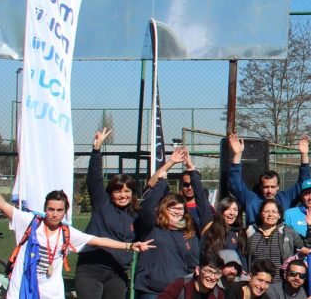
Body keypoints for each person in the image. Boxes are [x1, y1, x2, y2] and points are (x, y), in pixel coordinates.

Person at [0, 158, 155, 299]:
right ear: (45, 209)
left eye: (59, 210)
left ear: (65, 212)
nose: (54, 214)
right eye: (51, 209)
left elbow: (99, 240)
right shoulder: (30, 222)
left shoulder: (67, 232)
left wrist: (130, 246)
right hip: (22, 288)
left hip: (52, 292)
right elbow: (2, 205)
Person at [77, 128, 142, 299]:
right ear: (110, 193)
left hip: (117, 272)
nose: (123, 195)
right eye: (118, 191)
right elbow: (94, 179)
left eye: (127, 191)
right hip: (92, 268)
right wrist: (96, 150)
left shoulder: (136, 214)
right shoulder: (102, 203)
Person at [134, 149, 205, 299]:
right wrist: (163, 181)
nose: (177, 211)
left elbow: (192, 263)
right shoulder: (152, 226)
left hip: (177, 290)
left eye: (180, 208)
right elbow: (147, 207)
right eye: (172, 208)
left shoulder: (188, 231)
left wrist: (191, 168)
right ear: (163, 209)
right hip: (151, 290)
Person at [227, 133, 311, 225]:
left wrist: (304, 154)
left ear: (278, 187)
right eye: (266, 187)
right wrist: (237, 155)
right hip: (256, 237)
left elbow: (304, 183)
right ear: (260, 187)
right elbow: (235, 185)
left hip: (279, 237)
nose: (269, 190)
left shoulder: (285, 198)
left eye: (273, 186)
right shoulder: (251, 199)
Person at [245, 199, 307, 286]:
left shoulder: (288, 232)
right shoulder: (250, 232)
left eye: (274, 211)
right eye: (266, 211)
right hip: (256, 285)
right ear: (261, 214)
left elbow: (305, 246)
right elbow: (244, 256)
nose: (270, 215)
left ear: (279, 215)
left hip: (280, 285)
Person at [157, 254, 227, 299]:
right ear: (198, 270)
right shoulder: (180, 285)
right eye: (209, 271)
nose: (212, 277)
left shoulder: (218, 294)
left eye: (217, 273)